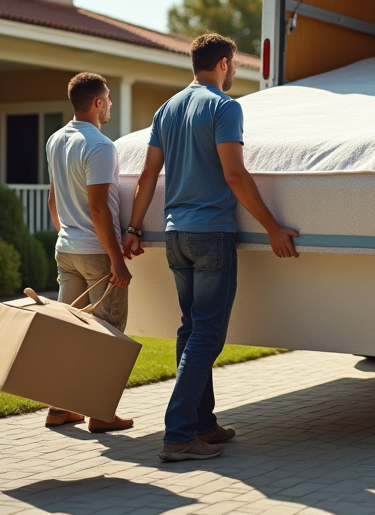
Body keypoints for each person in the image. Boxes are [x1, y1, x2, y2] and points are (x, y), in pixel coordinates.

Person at [122, 33, 299, 462]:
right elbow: (235, 175)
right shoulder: (225, 107)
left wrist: (132, 228)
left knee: (191, 329)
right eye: (234, 64)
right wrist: (274, 228)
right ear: (222, 63)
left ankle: (204, 424)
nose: (235, 72)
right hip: (211, 236)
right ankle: (180, 434)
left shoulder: (167, 109)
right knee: (207, 334)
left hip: (175, 237)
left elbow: (148, 177)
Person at [42, 71, 134, 433]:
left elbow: (52, 199)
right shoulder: (100, 146)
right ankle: (101, 413)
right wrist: (117, 259)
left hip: (66, 249)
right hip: (97, 253)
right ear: (97, 103)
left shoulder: (55, 140)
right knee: (109, 336)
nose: (110, 103)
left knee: (72, 331)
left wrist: (67, 236)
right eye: (108, 98)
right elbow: (99, 209)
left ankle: (59, 407)